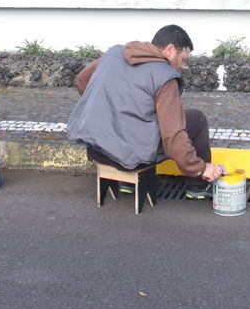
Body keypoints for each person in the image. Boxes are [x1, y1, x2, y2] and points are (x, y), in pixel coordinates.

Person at [67, 24, 224, 199]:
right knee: (196, 119)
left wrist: (106, 107)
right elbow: (173, 136)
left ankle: (128, 184)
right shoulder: (165, 76)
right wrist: (201, 168)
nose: (182, 66)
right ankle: (198, 187)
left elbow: (81, 81)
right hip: (131, 159)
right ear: (170, 50)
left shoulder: (114, 54)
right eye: (184, 59)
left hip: (97, 149)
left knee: (142, 118)